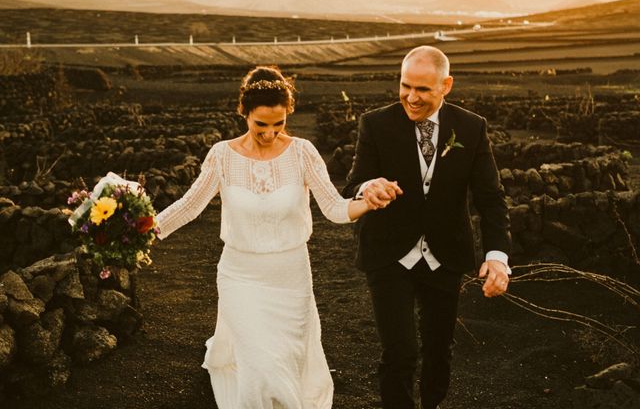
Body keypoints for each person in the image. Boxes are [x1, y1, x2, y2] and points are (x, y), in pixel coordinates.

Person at [154, 66, 386, 409]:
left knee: (286, 364)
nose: (270, 133)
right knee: (259, 367)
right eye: (260, 124)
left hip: (291, 275)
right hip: (240, 274)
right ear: (243, 113)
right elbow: (190, 206)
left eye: (278, 124)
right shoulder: (221, 155)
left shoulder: (303, 152)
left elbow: (335, 209)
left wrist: (368, 201)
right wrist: (143, 229)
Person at [342, 45, 512, 409]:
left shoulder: (471, 127)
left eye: (423, 89)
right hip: (388, 254)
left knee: (439, 350)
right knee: (400, 351)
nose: (411, 97)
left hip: (446, 254)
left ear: (446, 85)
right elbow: (352, 183)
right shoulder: (375, 124)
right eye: (405, 86)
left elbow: (491, 198)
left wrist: (497, 257)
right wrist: (367, 187)